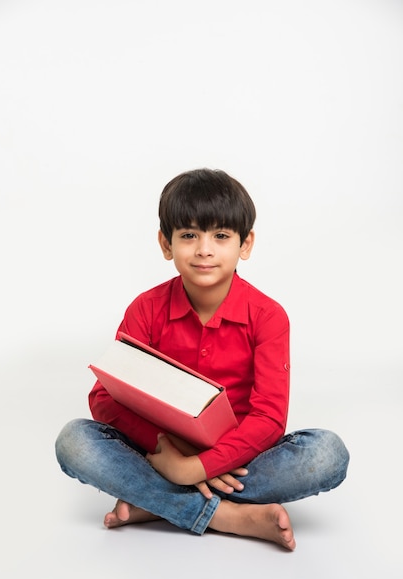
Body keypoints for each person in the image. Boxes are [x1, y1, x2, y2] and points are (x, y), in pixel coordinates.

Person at [55, 168, 349, 551]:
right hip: (161, 452)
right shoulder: (146, 309)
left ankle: (157, 503)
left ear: (246, 244)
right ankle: (229, 517)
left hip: (240, 457)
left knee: (327, 454)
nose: (204, 249)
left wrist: (197, 468)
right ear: (166, 243)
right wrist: (170, 454)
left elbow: (270, 419)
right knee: (74, 441)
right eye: (189, 235)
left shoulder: (268, 316)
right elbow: (104, 399)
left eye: (221, 236)